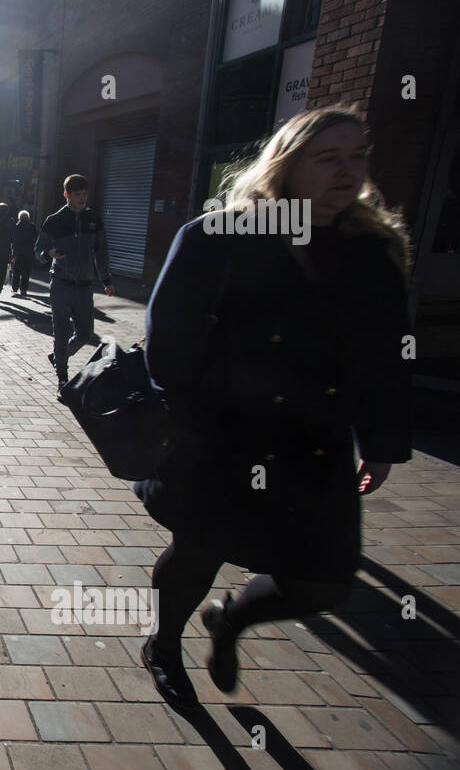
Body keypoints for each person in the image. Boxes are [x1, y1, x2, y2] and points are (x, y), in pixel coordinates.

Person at [133, 104, 413, 715]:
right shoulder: (218, 237)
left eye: (358, 156)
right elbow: (168, 343)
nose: (348, 172)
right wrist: (194, 423)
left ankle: (230, 619)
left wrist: (384, 441)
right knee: (198, 553)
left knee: (322, 579)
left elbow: (387, 357)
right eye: (329, 159)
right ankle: (166, 643)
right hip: (222, 441)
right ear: (286, 166)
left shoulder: (372, 252)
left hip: (316, 447)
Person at [35, 175, 115, 399]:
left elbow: (101, 251)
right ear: (67, 195)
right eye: (78, 195)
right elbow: (39, 249)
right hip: (60, 284)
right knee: (61, 331)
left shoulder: (94, 219)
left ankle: (59, 356)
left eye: (85, 194)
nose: (83, 199)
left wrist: (106, 279)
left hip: (85, 286)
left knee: (85, 333)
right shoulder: (54, 220)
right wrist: (47, 254)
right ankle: (62, 378)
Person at [11, 209, 37, 296]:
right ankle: (23, 289)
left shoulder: (16, 226)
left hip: (18, 252)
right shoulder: (32, 227)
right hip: (29, 252)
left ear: (19, 217)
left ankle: (15, 287)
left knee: (16, 271)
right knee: (26, 272)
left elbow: (13, 241)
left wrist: (13, 252)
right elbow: (36, 238)